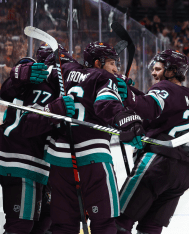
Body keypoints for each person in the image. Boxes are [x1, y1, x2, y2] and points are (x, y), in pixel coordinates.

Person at [45, 41, 145, 234]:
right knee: (104, 223)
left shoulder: (65, 71)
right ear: (99, 63)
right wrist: (126, 118)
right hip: (94, 157)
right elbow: (105, 102)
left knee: (63, 226)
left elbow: (44, 74)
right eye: (112, 64)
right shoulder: (104, 77)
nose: (116, 69)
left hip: (59, 160)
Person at [0, 44, 75, 234]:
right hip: (20, 159)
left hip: (40, 165)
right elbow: (8, 92)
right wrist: (21, 73)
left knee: (44, 223)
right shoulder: (34, 77)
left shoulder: (60, 92)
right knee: (21, 226)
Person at [114, 49, 189, 234]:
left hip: (159, 163)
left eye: (158, 69)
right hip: (183, 172)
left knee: (120, 221)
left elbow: (149, 107)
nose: (153, 72)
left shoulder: (164, 88)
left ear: (171, 71)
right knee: (151, 227)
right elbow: (155, 103)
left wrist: (127, 95)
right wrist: (132, 92)